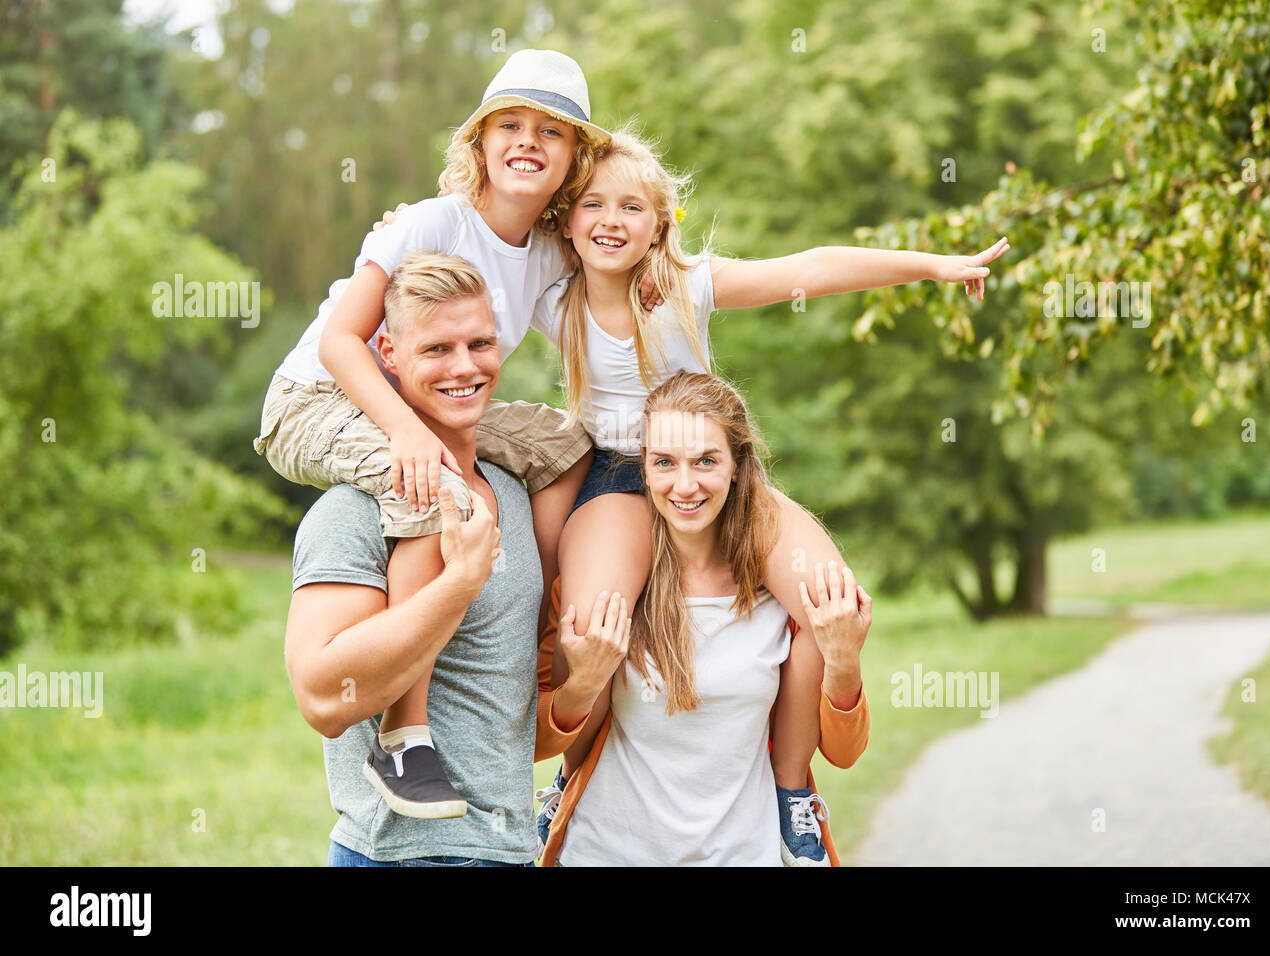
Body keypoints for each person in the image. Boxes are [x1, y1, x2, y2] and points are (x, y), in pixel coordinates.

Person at [521, 130, 1008, 863]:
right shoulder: (552, 294)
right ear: (565, 218)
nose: (611, 220)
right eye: (593, 203)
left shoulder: (683, 287)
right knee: (593, 627)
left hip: (716, 472)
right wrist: (402, 230)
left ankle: (792, 797)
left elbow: (808, 269)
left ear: (660, 224)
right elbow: (469, 251)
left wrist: (933, 266)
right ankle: (568, 780)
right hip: (621, 477)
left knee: (824, 600)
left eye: (632, 206)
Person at [258, 49, 623, 817]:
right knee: (429, 489)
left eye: (552, 133)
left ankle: (540, 636)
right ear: (481, 144)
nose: (529, 141)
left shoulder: (553, 253)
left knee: (564, 446)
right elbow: (340, 342)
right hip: (319, 399)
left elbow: (626, 277)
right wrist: (404, 434)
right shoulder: (432, 223)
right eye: (511, 126)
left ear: (574, 162)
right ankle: (406, 737)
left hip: (424, 407)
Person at [284, 252, 566, 865]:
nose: (464, 367)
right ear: (387, 354)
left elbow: (502, 719)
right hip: (403, 856)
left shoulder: (515, 495)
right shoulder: (354, 510)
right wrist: (459, 583)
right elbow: (323, 698)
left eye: (480, 344)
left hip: (513, 851)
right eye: (437, 349)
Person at [533, 371, 872, 866]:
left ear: (737, 466)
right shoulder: (610, 592)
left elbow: (845, 753)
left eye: (706, 461)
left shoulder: (780, 600)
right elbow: (542, 743)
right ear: (642, 471)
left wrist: (843, 663)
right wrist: (583, 683)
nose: (684, 485)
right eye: (664, 463)